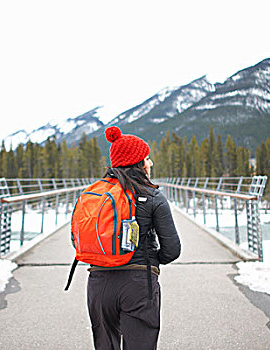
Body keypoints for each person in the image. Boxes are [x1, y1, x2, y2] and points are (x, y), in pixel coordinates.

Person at [86, 126, 181, 350]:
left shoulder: (96, 195)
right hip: (138, 283)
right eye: (146, 158)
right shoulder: (154, 196)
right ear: (138, 162)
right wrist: (149, 258)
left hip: (98, 283)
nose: (150, 163)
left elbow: (79, 241)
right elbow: (172, 249)